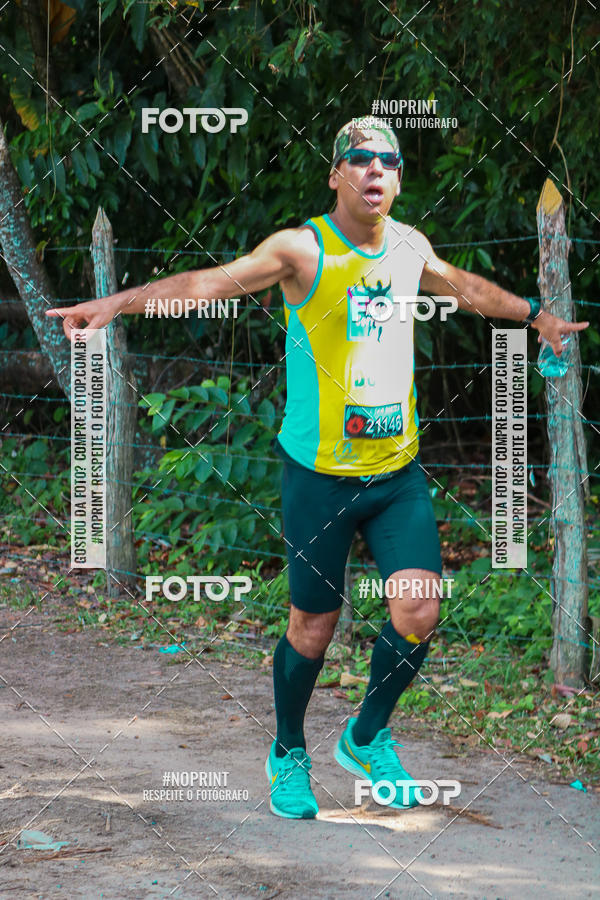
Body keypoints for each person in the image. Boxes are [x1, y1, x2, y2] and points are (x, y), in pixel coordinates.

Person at [47, 118, 588, 820]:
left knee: (420, 608)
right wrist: (115, 304)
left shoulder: (408, 247)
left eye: (387, 160)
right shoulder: (301, 250)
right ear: (336, 175)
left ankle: (365, 737)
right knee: (313, 626)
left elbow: (466, 290)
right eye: (359, 159)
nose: (374, 170)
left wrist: (535, 314)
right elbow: (208, 283)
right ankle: (289, 751)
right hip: (319, 478)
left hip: (395, 475)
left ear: (398, 179)